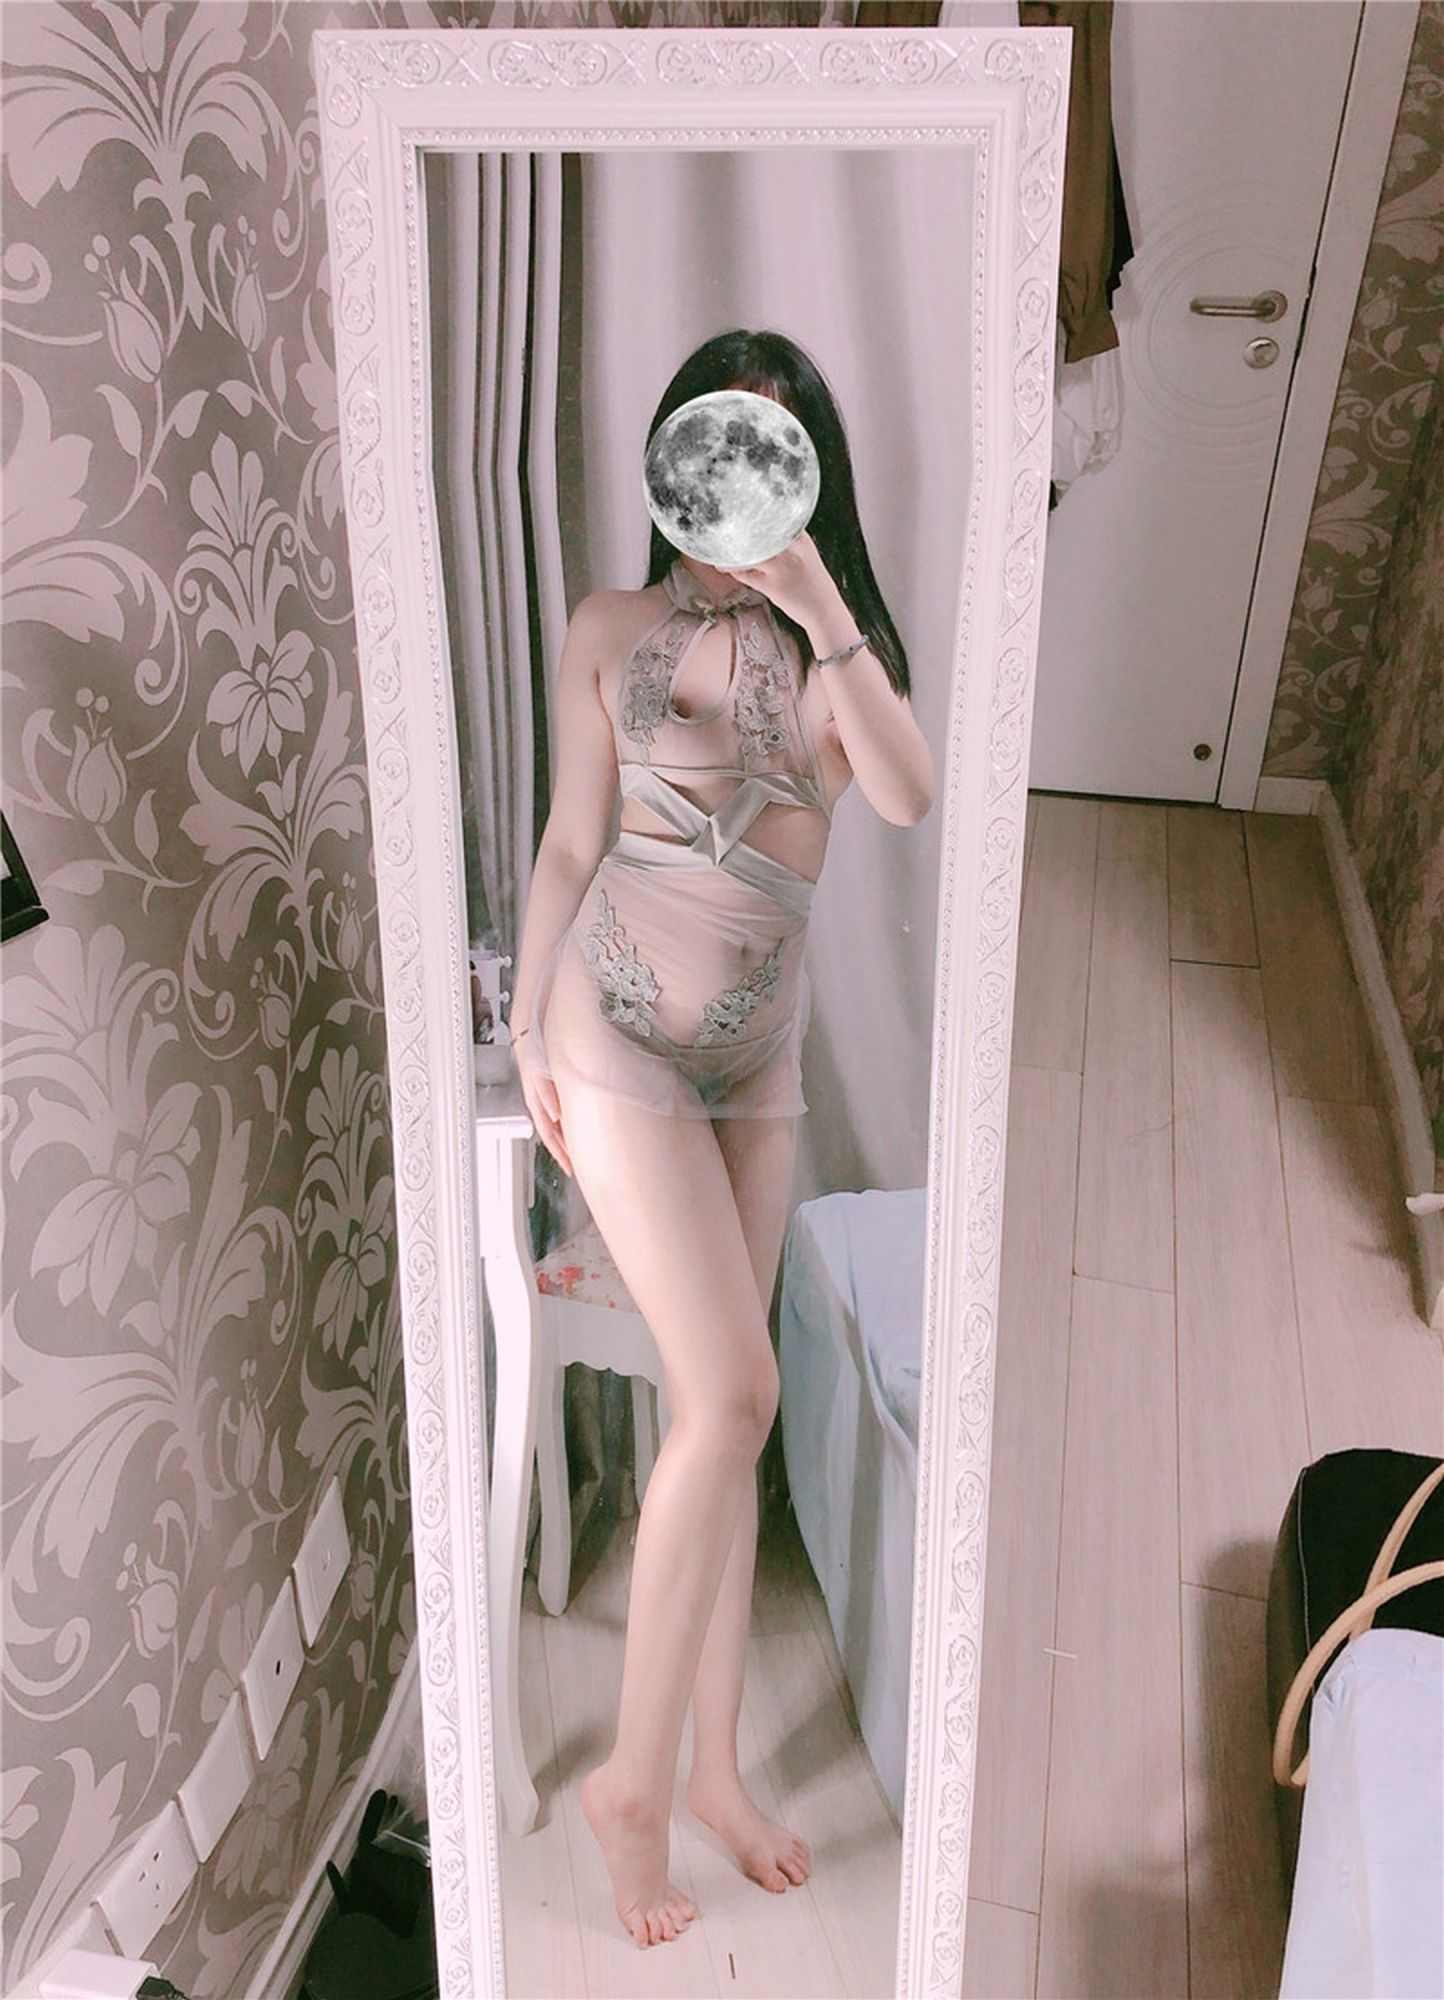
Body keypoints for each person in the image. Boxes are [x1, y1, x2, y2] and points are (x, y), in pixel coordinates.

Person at [508, 329, 934, 1949]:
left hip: (756, 1062)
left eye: (768, 456)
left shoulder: (840, 667)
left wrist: (819, 601)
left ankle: (713, 1772)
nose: (729, 491)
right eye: (711, 451)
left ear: (806, 476)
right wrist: (528, 1018)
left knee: (724, 1416)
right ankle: (629, 1787)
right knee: (738, 1391)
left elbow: (906, 796)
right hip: (612, 1024)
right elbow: (569, 841)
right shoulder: (608, 628)